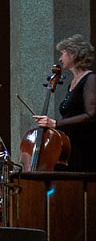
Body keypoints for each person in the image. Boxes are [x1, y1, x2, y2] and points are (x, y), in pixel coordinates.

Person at [34, 34, 96, 172]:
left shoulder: (90, 79)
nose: (60, 59)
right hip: (70, 146)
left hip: (84, 147)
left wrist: (56, 124)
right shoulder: (73, 82)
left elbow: (91, 115)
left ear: (73, 54)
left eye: (63, 54)